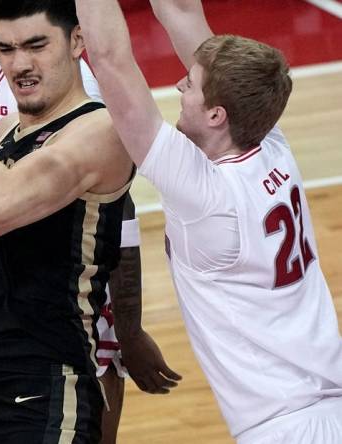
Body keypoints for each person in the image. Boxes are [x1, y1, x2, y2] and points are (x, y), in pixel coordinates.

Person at [0, 1, 179, 443]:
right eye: (7, 49)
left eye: (36, 45)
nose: (21, 64)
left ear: (77, 40)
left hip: (41, 390)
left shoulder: (100, 131)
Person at [76, 0, 342, 442]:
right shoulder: (267, 138)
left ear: (217, 115)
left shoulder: (206, 196)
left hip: (284, 429)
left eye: (190, 85)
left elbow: (110, 61)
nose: (180, 84)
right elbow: (180, 10)